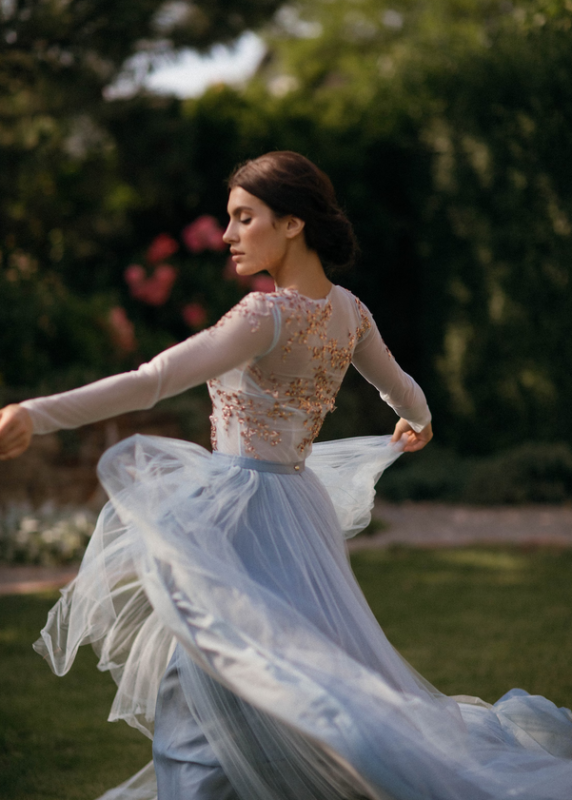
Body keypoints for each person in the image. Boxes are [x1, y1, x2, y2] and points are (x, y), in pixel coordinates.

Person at [0, 151, 570, 800]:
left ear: (292, 223)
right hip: (298, 511)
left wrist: (34, 414)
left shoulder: (263, 316)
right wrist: (420, 418)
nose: (228, 235)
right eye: (229, 219)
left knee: (211, 672)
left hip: (239, 510)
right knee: (270, 671)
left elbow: (151, 381)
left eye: (245, 218)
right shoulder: (349, 313)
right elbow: (399, 384)